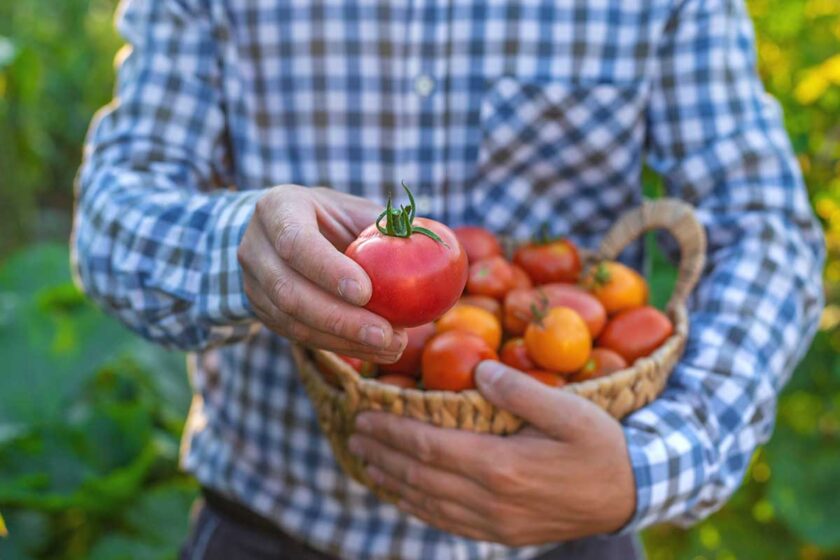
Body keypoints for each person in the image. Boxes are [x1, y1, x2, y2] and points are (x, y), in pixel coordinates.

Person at [72, 0, 825, 558]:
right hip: (270, 527)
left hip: (567, 532)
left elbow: (764, 224)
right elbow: (113, 211)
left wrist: (650, 465)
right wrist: (237, 245)